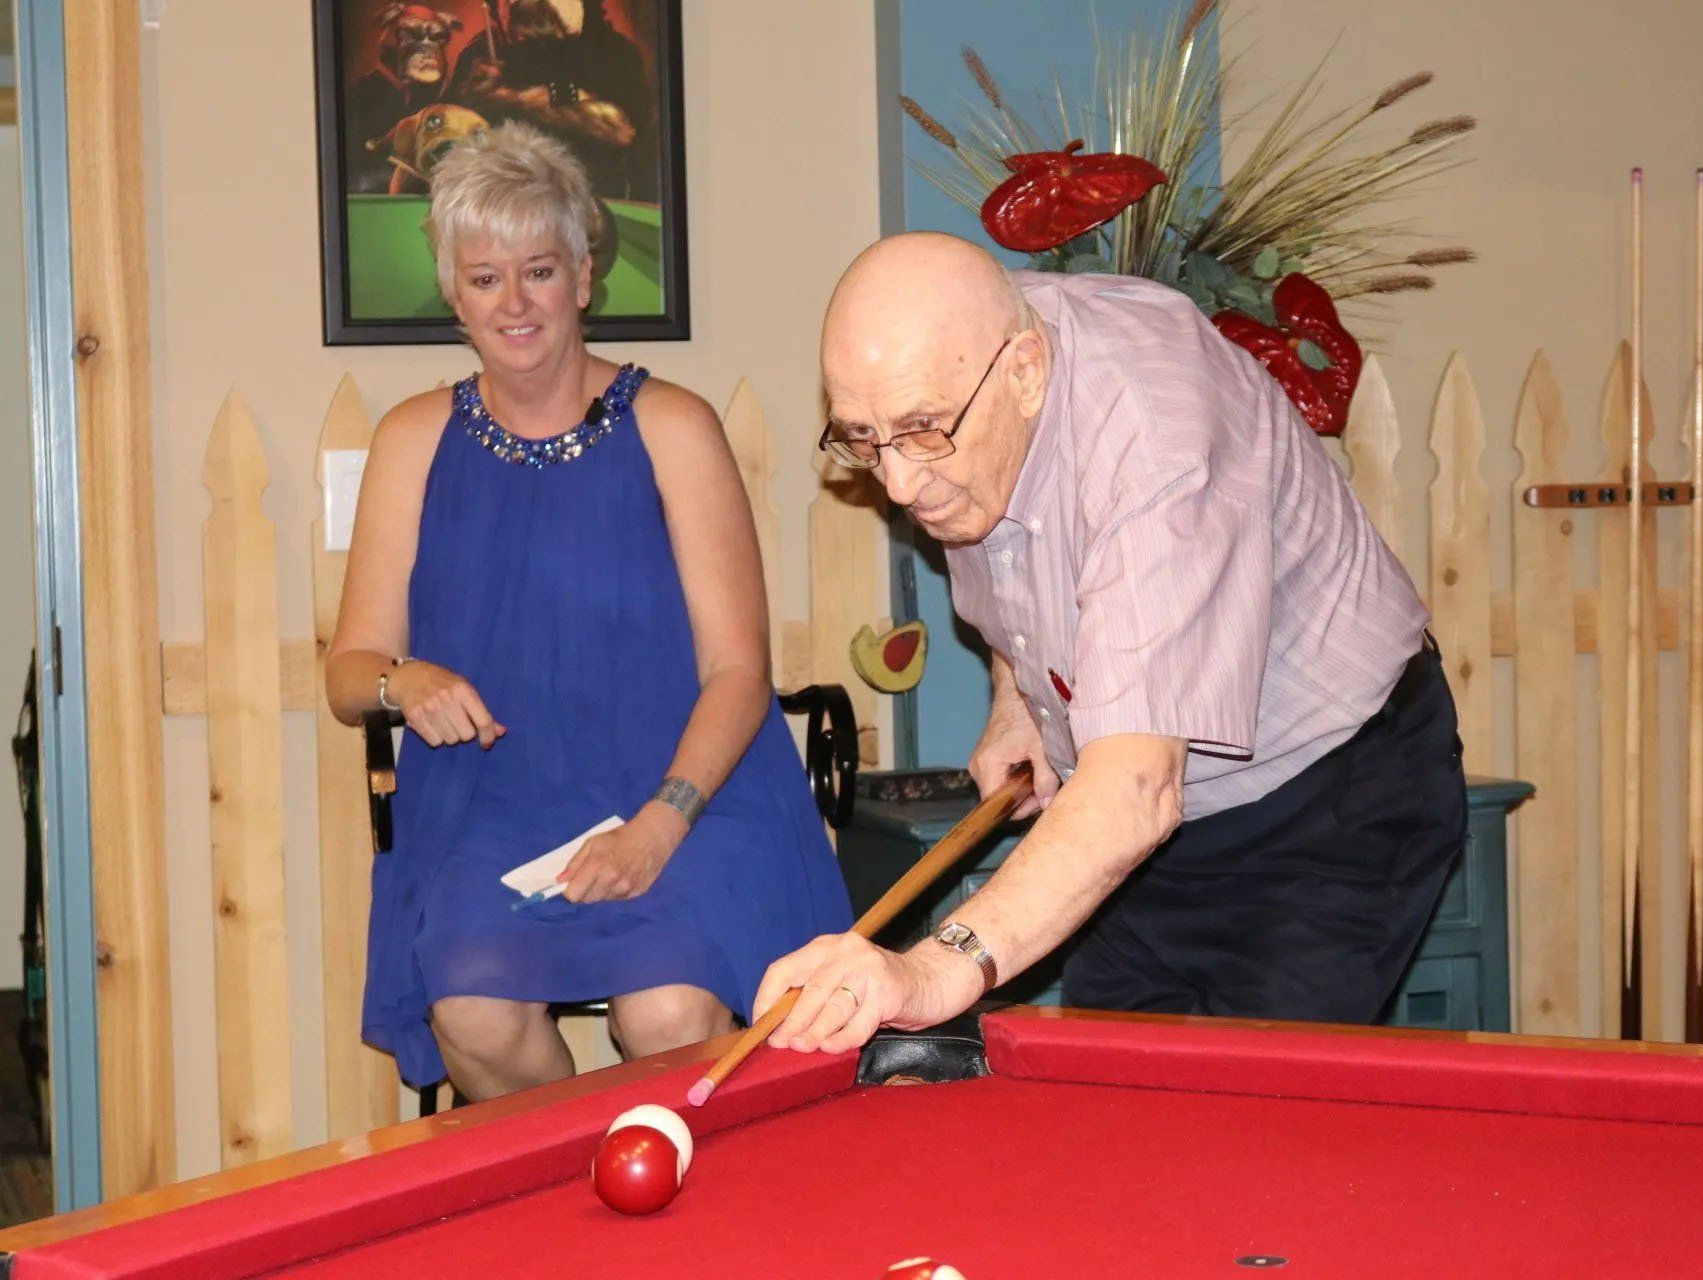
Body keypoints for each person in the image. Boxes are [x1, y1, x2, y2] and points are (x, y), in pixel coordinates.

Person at [755, 232, 1464, 1056]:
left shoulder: (1157, 443)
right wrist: (1019, 696)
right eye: (864, 439)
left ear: (1026, 372)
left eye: (922, 432)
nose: (901, 482)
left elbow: (1134, 791)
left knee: (1244, 1116)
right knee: (1107, 1099)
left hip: (1325, 803)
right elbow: (1013, 542)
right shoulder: (971, 356)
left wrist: (928, 973)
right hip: (1146, 824)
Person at [325, 122, 850, 1099]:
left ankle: (666, 1179)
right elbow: (349, 673)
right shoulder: (410, 440)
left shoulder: (673, 426)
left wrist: (659, 824)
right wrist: (406, 680)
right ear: (454, 294)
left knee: (667, 1013)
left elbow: (740, 672)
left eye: (538, 271)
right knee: (472, 1013)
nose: (514, 303)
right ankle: (580, 1179)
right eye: (486, 279)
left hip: (690, 792)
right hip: (494, 803)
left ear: (583, 276)